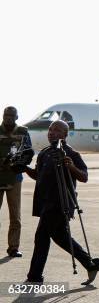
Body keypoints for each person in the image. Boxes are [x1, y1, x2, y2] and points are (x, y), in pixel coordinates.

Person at [22, 120, 99, 284]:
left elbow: (84, 177)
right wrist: (24, 168)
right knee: (61, 237)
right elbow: (38, 175)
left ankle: (34, 276)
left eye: (57, 130)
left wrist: (71, 167)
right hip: (44, 203)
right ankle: (90, 264)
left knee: (42, 237)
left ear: (65, 135)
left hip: (60, 203)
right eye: (50, 129)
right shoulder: (45, 153)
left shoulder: (71, 154)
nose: (52, 132)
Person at [0, 106, 32, 258]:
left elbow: (28, 151)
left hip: (14, 178)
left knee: (15, 215)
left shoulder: (23, 132)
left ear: (17, 117)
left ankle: (13, 247)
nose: (8, 117)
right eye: (6, 114)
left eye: (12, 115)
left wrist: (20, 162)